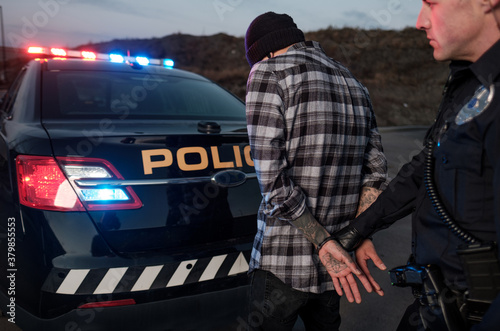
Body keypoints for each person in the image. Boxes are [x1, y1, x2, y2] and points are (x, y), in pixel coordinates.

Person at [333, 1, 500, 330]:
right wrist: (354, 232)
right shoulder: (468, 85)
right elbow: (425, 169)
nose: (420, 21)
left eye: (432, 3)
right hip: (433, 308)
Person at [243, 11, 389, 330]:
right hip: (335, 269)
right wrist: (358, 233)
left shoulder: (267, 72)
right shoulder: (353, 82)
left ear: (266, 51)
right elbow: (376, 174)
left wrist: (322, 243)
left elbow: (274, 184)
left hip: (282, 264)